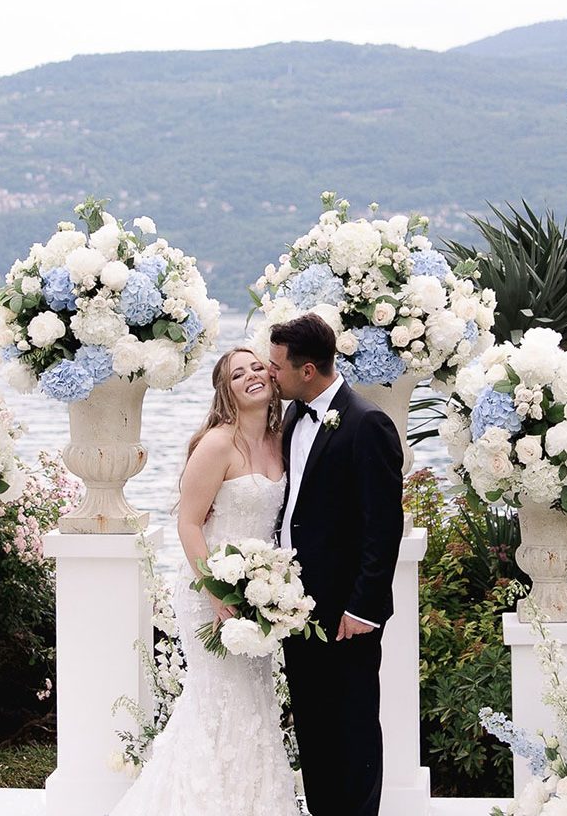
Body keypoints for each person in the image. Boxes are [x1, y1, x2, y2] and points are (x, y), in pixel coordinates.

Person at [109, 348, 300, 816]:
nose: (252, 376)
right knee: (218, 702)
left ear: (273, 377)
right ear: (226, 390)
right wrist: (216, 590)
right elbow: (190, 525)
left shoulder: (284, 439)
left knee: (253, 704)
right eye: (238, 374)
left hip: (259, 594)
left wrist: (273, 590)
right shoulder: (217, 444)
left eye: (258, 367)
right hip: (210, 588)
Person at [269, 313, 404, 816]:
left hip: (348, 613)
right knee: (314, 728)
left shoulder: (367, 423)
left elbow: (382, 526)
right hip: (295, 607)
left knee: (353, 729)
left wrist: (364, 607)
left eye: (277, 367)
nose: (270, 374)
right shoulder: (291, 417)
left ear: (307, 371)